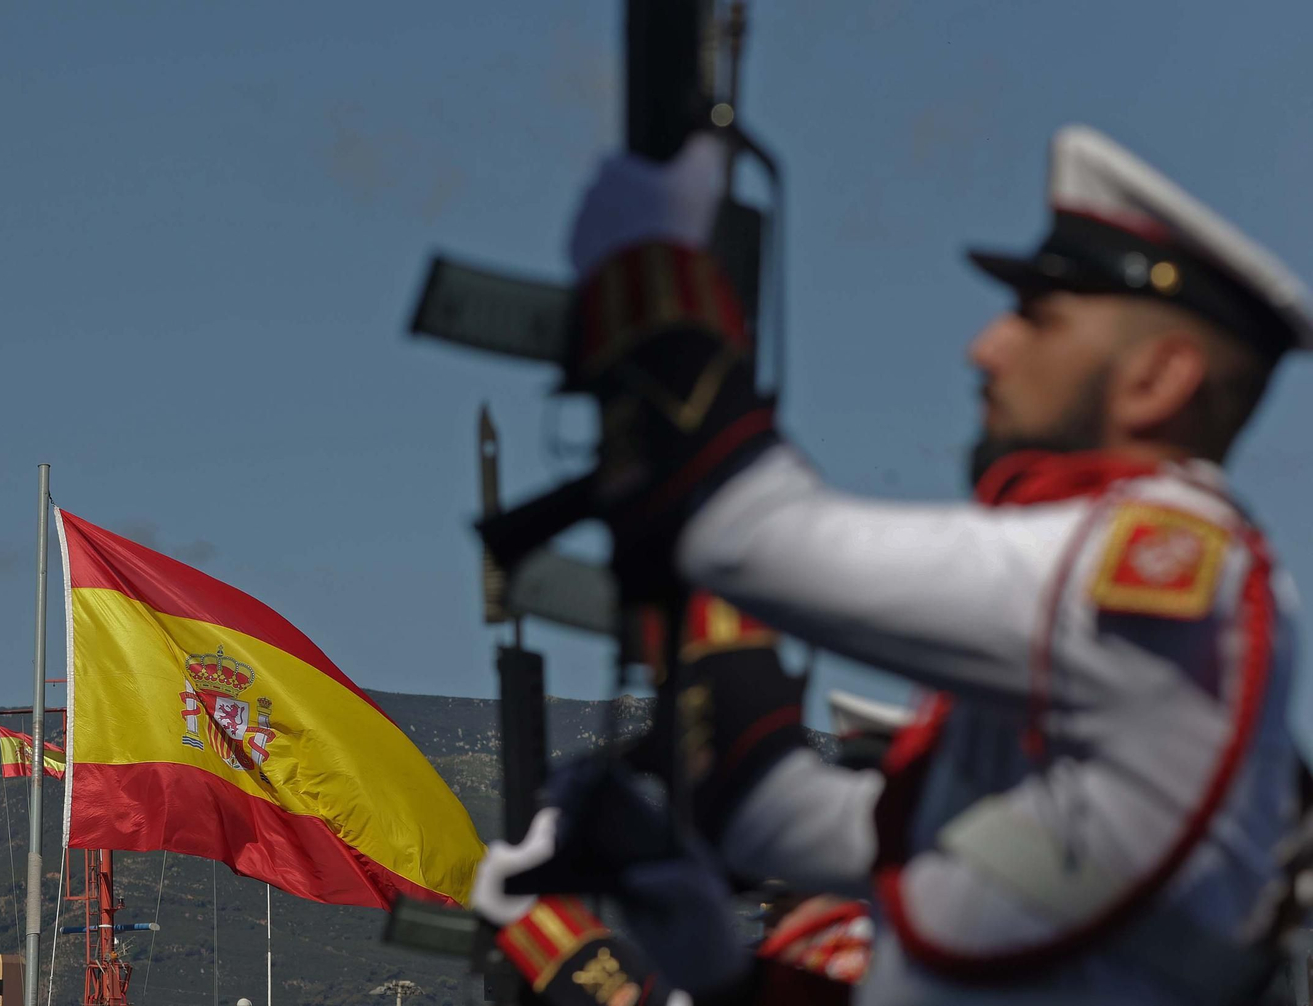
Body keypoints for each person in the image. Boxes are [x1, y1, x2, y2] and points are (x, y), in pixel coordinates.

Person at [477, 124, 1312, 1005]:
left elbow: (745, 532)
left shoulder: (1165, 567)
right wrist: (707, 947)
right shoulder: (1089, 642)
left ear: (1158, 379)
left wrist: (648, 257)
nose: (984, 348)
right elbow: (827, 829)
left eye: (1037, 318)